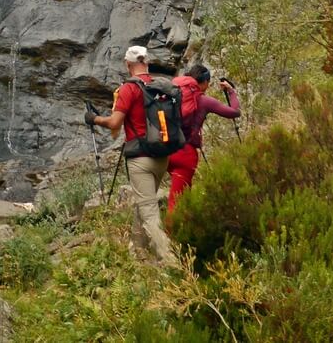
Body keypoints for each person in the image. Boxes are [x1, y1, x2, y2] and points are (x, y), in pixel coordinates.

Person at [84, 45, 176, 265]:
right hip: (162, 156)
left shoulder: (129, 88)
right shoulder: (160, 85)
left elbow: (115, 122)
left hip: (140, 158)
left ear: (127, 64)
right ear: (146, 62)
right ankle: (138, 253)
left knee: (149, 211)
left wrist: (93, 119)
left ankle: (171, 261)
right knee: (143, 204)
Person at [167, 64, 240, 215]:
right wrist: (231, 91)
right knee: (178, 201)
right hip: (185, 154)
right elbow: (234, 112)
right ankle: (171, 234)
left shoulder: (174, 95)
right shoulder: (204, 101)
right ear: (205, 82)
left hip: (165, 149)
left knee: (173, 194)